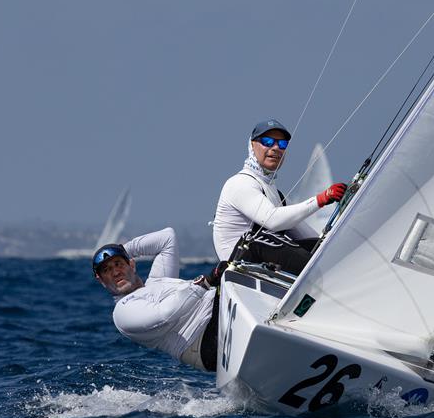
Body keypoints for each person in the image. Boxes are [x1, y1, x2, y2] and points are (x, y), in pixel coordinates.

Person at [213, 119, 346, 275]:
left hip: (264, 265)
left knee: (322, 246)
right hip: (238, 265)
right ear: (252, 145)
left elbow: (309, 236)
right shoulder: (240, 183)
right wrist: (321, 199)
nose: (276, 148)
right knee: (258, 240)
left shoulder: (276, 194)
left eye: (282, 144)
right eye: (267, 141)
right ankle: (328, 274)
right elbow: (272, 220)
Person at [93, 227, 226, 372]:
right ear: (101, 281)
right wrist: (204, 283)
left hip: (218, 312)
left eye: (118, 264)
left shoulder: (157, 280)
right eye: (106, 270)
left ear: (131, 264)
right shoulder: (122, 312)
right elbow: (165, 314)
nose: (115, 272)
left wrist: (120, 249)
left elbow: (167, 238)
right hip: (203, 342)